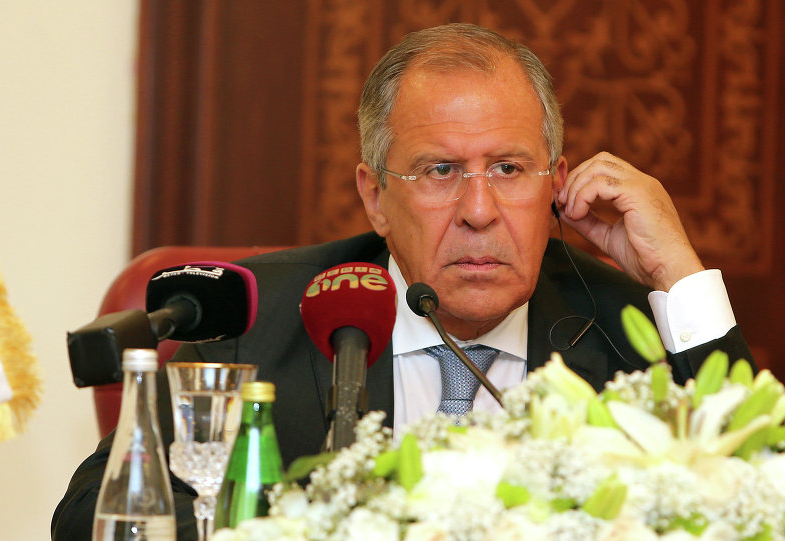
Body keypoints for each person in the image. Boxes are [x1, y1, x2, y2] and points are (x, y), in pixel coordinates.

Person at [52, 23, 753, 540]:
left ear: (556, 185)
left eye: (509, 169)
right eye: (440, 171)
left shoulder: (629, 333)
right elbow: (91, 515)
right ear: (376, 196)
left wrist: (679, 275)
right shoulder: (262, 317)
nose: (479, 211)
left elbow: (761, 493)